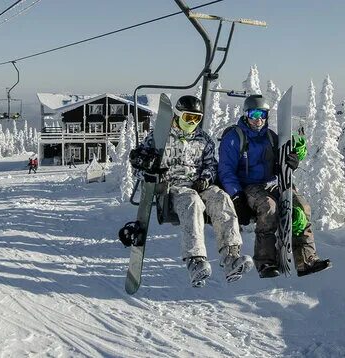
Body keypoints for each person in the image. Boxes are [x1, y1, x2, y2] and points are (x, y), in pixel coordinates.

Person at [129, 95, 253, 288]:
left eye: (197, 118)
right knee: (192, 200)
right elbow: (139, 170)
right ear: (178, 115)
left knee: (221, 198)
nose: (193, 122)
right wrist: (144, 163)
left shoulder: (204, 140)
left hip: (198, 185)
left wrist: (206, 178)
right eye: (188, 118)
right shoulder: (160, 136)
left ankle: (231, 257)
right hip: (173, 189)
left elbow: (211, 165)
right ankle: (195, 260)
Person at [218, 94, 331, 279]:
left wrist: (292, 161)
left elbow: (283, 156)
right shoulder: (234, 138)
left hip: (273, 183)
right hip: (249, 186)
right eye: (254, 114)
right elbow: (226, 171)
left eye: (262, 114)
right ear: (246, 114)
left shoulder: (270, 136)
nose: (259, 119)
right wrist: (236, 197)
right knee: (269, 208)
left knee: (302, 207)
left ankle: (306, 260)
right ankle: (265, 262)